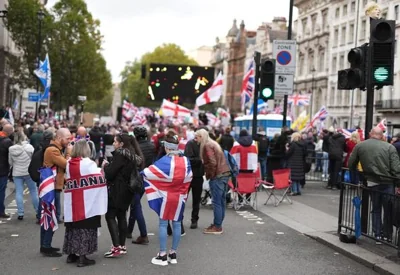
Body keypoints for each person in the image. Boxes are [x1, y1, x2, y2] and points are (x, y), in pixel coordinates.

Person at [142, 130, 192, 266]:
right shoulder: (185, 161)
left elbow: (147, 173)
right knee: (177, 223)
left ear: (166, 147)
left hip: (166, 197)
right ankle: (173, 253)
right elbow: (189, 178)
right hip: (179, 197)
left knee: (163, 224)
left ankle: (162, 254)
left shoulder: (164, 161)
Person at [348, 127, 400, 241]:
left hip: (372, 181)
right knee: (388, 209)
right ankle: (387, 235)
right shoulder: (389, 147)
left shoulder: (360, 146)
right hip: (388, 182)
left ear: (370, 134)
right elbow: (396, 169)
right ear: (382, 135)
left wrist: (357, 174)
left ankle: (377, 234)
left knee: (375, 208)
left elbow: (351, 163)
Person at [63, 140, 107, 267]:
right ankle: (82, 257)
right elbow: (99, 177)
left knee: (72, 227)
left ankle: (71, 254)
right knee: (85, 227)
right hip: (87, 201)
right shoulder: (89, 163)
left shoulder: (69, 163)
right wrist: (103, 168)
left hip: (72, 201)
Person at [103, 134, 142, 257]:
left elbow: (110, 174)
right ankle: (122, 245)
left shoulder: (120, 154)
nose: (113, 144)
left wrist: (105, 165)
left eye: (115, 142)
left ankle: (116, 247)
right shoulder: (131, 154)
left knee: (110, 216)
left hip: (118, 189)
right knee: (121, 216)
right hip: (128, 190)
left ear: (121, 144)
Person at [41, 128, 72, 257]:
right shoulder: (53, 150)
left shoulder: (56, 149)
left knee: (48, 216)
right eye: (68, 138)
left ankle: (45, 245)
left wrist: (64, 180)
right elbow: (66, 164)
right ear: (60, 138)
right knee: (52, 216)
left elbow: (58, 170)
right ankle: (46, 246)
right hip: (51, 188)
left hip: (54, 186)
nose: (70, 141)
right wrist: (69, 153)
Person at [196, 129, 230, 234]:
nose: (195, 139)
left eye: (197, 137)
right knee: (221, 201)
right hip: (224, 173)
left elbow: (212, 162)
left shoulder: (207, 145)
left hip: (217, 176)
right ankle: (218, 224)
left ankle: (217, 226)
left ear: (202, 137)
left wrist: (209, 175)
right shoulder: (214, 143)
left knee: (216, 202)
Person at [127, 126, 152, 244]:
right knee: (134, 204)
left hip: (136, 178)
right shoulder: (152, 146)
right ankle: (129, 230)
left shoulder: (134, 148)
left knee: (136, 205)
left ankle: (143, 234)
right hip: (147, 177)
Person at [8, 128, 38, 220]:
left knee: (19, 192)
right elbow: (33, 160)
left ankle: (20, 213)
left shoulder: (11, 149)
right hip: (28, 172)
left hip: (17, 173)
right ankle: (37, 211)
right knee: (33, 191)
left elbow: (10, 162)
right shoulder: (30, 147)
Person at [184, 129, 204, 229]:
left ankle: (194, 219)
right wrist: (201, 160)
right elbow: (188, 159)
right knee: (183, 198)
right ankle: (179, 219)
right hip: (188, 176)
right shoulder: (190, 144)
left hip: (199, 176)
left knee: (196, 200)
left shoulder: (204, 145)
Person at [0, 123, 13, 218]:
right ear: (9, 132)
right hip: (2, 170)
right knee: (1, 191)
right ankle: (1, 211)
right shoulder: (8, 142)